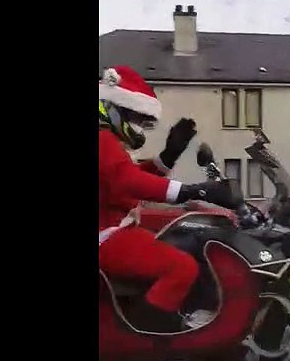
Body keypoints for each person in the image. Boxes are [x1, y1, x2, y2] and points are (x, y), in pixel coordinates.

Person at [97, 65, 235, 331]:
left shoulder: (107, 141)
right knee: (181, 267)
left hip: (113, 229)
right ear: (113, 109)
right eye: (136, 118)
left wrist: (169, 155)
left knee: (179, 247)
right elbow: (127, 181)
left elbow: (126, 177)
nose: (138, 128)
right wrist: (194, 190)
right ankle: (152, 340)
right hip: (108, 235)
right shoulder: (103, 139)